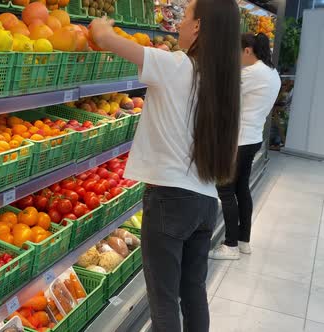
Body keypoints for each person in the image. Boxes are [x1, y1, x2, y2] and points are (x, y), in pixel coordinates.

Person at [90, 0, 241, 330]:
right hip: (204, 201)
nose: (180, 24)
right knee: (193, 293)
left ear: (199, 27)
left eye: (186, 16)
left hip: (169, 202)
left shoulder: (176, 65)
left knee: (163, 302)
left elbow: (106, 39)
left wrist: (100, 26)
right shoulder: (223, 83)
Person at [209, 33, 281, 260]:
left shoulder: (252, 73)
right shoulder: (272, 72)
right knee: (241, 189)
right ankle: (243, 241)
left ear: (247, 50)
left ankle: (230, 245)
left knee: (226, 190)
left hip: (237, 141)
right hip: (252, 137)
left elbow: (222, 93)